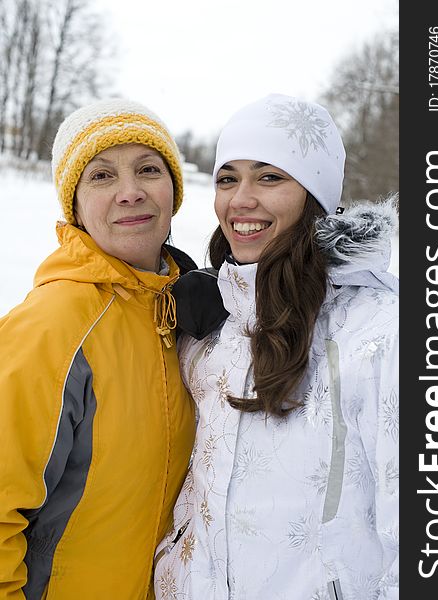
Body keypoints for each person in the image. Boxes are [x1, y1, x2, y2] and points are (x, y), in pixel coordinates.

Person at [153, 94, 399, 599]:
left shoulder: (378, 334)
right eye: (228, 178)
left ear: (315, 195)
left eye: (270, 177)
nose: (241, 200)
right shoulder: (211, 330)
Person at [0, 99, 196, 599]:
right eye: (102, 176)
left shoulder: (188, 317)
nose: (130, 193)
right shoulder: (51, 326)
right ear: (76, 207)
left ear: (174, 192)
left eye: (148, 170)